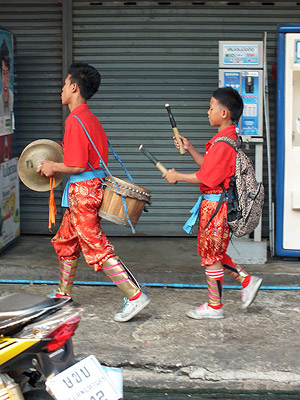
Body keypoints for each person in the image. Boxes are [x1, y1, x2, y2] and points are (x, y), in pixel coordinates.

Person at [37, 62, 150, 322]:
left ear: (74, 87)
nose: (61, 88)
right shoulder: (91, 119)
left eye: (65, 84)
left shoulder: (75, 120)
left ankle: (135, 295)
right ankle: (63, 294)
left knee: (95, 246)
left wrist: (53, 165)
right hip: (90, 189)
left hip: (83, 193)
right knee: (67, 240)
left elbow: (76, 165)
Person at [163, 87, 262, 319]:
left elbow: (206, 177)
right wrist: (191, 149)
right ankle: (247, 281)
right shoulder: (225, 140)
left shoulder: (222, 144)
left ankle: (215, 306)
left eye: (211, 107)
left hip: (215, 207)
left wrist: (177, 176)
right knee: (213, 254)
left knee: (211, 256)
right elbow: (208, 168)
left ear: (224, 113)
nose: (208, 112)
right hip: (216, 204)